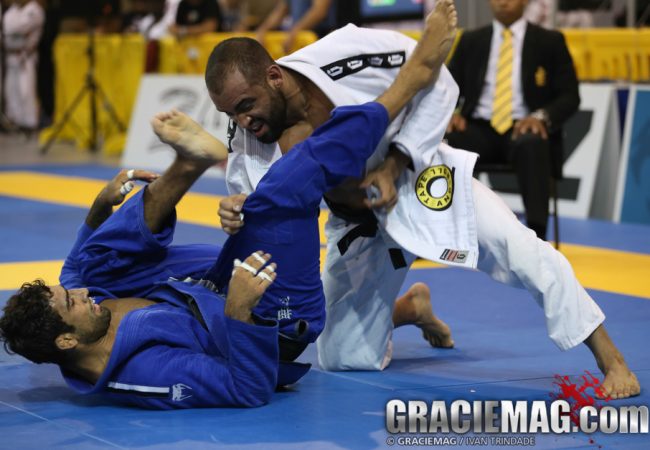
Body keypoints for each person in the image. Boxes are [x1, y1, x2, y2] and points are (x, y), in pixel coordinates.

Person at [0, 4, 455, 409]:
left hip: (213, 280)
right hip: (269, 318)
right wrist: (239, 311)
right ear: (66, 340)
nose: (83, 295)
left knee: (95, 262)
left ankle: (188, 164)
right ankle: (409, 82)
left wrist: (100, 208)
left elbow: (79, 263)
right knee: (280, 193)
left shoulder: (83, 304)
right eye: (72, 303)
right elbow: (246, 387)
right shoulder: (143, 373)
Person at [204, 0, 639, 398]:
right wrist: (236, 209)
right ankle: (409, 308)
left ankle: (612, 360)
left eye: (246, 105)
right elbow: (259, 204)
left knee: (519, 248)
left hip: (419, 179)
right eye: (231, 114)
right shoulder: (248, 134)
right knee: (342, 355)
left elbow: (437, 81)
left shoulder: (347, 54)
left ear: (274, 76)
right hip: (357, 222)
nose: (243, 120)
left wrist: (395, 162)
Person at [445, 0, 580, 241]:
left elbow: (570, 96)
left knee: (533, 143)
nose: (503, 1)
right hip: (479, 127)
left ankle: (537, 237)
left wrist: (541, 117)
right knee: (448, 144)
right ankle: (444, 232)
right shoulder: (471, 40)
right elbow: (447, 86)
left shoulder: (550, 41)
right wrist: (452, 113)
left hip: (523, 127)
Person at [2, 0, 45, 130]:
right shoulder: (12, 10)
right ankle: (14, 121)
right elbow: (7, 27)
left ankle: (29, 124)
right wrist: (10, 31)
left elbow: (20, 27)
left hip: (26, 56)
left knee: (26, 90)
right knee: (11, 90)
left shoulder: (35, 9)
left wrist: (10, 30)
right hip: (10, 55)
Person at [255, 0, 336, 54]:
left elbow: (319, 11)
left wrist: (294, 31)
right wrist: (262, 30)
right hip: (300, 40)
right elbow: (280, 11)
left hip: (320, 39)